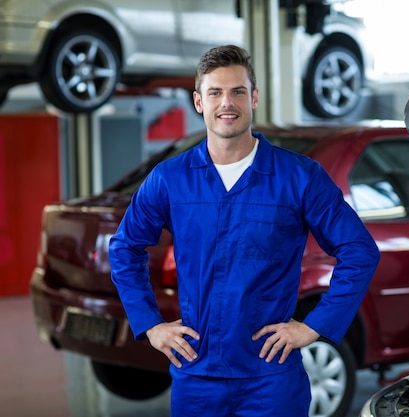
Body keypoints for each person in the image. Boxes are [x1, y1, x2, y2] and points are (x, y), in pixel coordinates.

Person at [108, 44, 380, 417]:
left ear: (253, 97)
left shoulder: (299, 177)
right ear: (199, 102)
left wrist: (315, 326)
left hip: (270, 375)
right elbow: (125, 249)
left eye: (237, 91)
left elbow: (359, 250)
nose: (227, 103)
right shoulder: (169, 179)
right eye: (215, 92)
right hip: (197, 374)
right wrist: (151, 325)